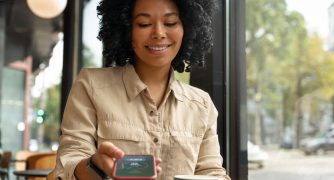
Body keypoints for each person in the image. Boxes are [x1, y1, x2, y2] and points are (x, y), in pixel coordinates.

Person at [54, 0, 230, 179]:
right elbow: (67, 166)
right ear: (127, 29)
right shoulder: (91, 85)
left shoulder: (202, 104)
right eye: (144, 24)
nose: (159, 33)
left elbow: (212, 172)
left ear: (188, 28)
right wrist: (95, 165)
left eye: (170, 23)